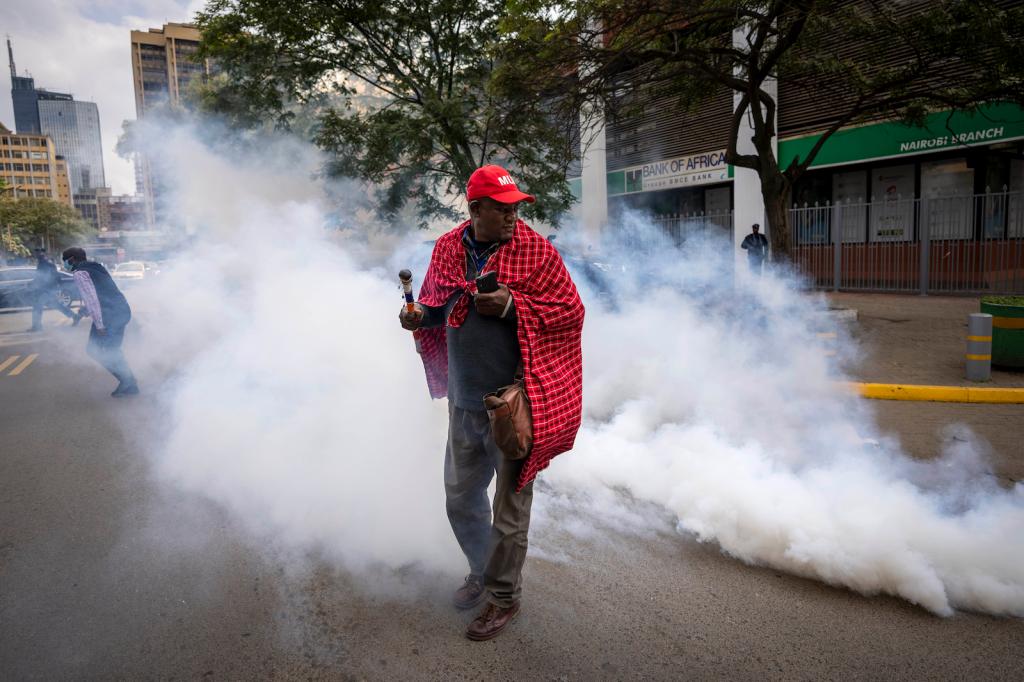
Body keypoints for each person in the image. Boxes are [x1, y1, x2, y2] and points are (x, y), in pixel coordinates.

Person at [399, 165, 584, 641]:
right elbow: (437, 306)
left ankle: (504, 597)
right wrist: (418, 317)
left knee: (510, 509)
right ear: (475, 209)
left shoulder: (534, 250)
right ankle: (481, 570)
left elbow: (570, 312)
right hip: (463, 401)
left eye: (516, 209)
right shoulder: (446, 250)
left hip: (513, 405)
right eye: (502, 210)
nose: (512, 218)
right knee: (461, 499)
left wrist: (512, 306)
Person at [62, 247, 139, 397]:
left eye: (65, 260)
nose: (64, 264)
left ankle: (128, 381)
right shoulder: (96, 266)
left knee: (95, 350)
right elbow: (101, 292)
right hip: (120, 310)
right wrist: (86, 310)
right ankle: (129, 382)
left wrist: (99, 324)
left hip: (109, 316)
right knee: (112, 349)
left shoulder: (79, 273)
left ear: (71, 259)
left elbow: (93, 299)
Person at [27, 248, 76, 331]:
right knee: (56, 305)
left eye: (38, 253)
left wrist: (34, 283)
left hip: (46, 290)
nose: (36, 255)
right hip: (47, 289)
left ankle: (37, 326)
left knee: (37, 306)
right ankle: (75, 316)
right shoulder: (43, 263)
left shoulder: (45, 263)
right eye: (36, 253)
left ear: (42, 254)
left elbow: (45, 277)